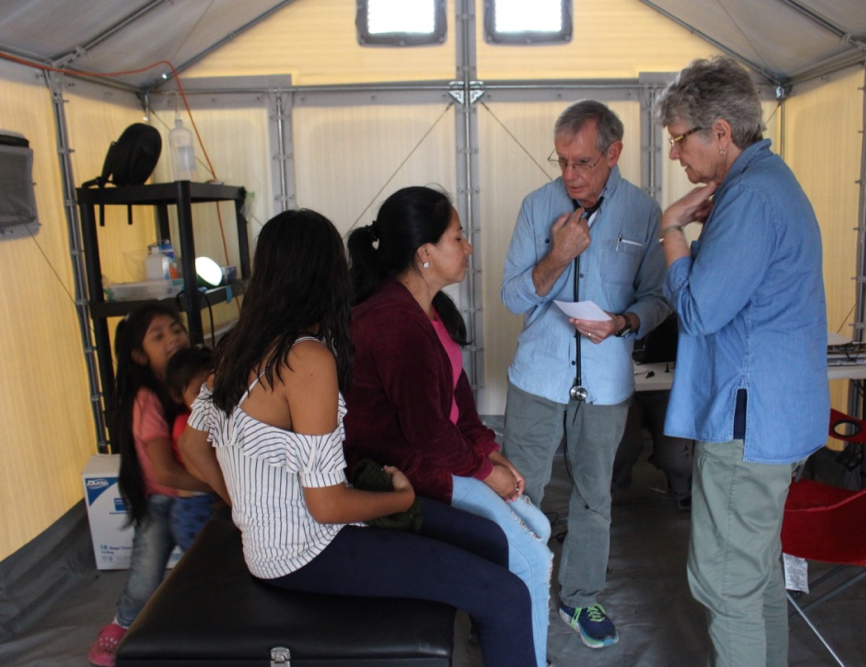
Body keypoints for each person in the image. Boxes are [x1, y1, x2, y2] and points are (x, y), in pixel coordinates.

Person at [178, 208, 535, 667]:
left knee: (486, 538)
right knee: (507, 596)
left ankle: (492, 645)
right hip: (306, 550)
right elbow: (327, 506)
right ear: (327, 276)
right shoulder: (306, 359)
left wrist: (247, 512)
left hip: (293, 535)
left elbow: (192, 448)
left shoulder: (234, 348)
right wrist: (401, 499)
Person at [655, 56, 830, 666]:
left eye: (679, 140)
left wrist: (671, 231)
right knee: (753, 576)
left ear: (720, 132)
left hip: (747, 425)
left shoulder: (750, 196)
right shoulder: (767, 181)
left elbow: (701, 311)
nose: (676, 156)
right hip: (775, 417)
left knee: (727, 584)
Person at [345, 186, 552, 667]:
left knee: (537, 524)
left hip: (442, 457)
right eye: (458, 237)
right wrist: (485, 473)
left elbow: (460, 400)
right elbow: (426, 435)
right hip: (409, 470)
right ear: (425, 253)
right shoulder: (392, 321)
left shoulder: (428, 310)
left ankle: (510, 633)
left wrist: (489, 450)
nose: (468, 247)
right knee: (533, 558)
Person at [500, 99, 669, 648]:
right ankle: (509, 598)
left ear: (613, 153)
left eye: (583, 163)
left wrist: (624, 321)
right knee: (519, 491)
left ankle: (580, 599)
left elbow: (659, 298)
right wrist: (557, 254)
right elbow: (511, 295)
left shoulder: (644, 212)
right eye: (563, 161)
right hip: (539, 377)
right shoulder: (536, 207)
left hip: (606, 384)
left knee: (595, 495)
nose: (570, 175)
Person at [88, 304, 214, 667]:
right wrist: (221, 488)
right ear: (139, 356)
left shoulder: (190, 385)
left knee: (205, 569)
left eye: (176, 328)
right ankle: (118, 627)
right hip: (165, 500)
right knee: (146, 577)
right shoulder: (147, 400)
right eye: (158, 336)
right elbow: (166, 474)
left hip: (191, 499)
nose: (173, 337)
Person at [611, 314, 693, 511]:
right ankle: (608, 490)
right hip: (619, 388)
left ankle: (683, 488)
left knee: (674, 456)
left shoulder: (672, 310)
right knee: (623, 446)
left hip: (665, 387)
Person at [164, 346, 218, 550]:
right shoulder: (185, 427)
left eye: (212, 388)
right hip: (195, 509)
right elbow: (202, 472)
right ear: (178, 396)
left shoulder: (208, 418)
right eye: (198, 392)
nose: (208, 398)